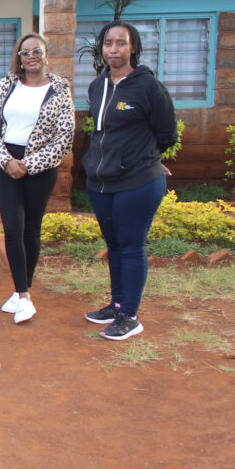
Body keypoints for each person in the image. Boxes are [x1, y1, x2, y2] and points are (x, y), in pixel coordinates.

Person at [82, 21, 177, 341]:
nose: (114, 49)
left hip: (137, 182)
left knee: (131, 246)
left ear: (133, 47)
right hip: (100, 181)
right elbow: (99, 132)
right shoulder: (97, 86)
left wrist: (146, 160)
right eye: (108, 43)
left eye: (121, 43)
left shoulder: (148, 87)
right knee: (114, 246)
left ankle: (130, 316)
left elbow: (167, 133)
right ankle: (117, 304)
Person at [0, 33, 75, 323]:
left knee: (31, 230)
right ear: (19, 57)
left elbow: (65, 136)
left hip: (41, 168)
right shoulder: (7, 83)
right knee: (12, 228)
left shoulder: (60, 88)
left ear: (46, 54)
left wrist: (29, 164)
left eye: (36, 51)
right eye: (25, 53)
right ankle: (23, 296)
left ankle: (23, 289)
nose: (30, 56)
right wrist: (7, 161)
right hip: (6, 164)